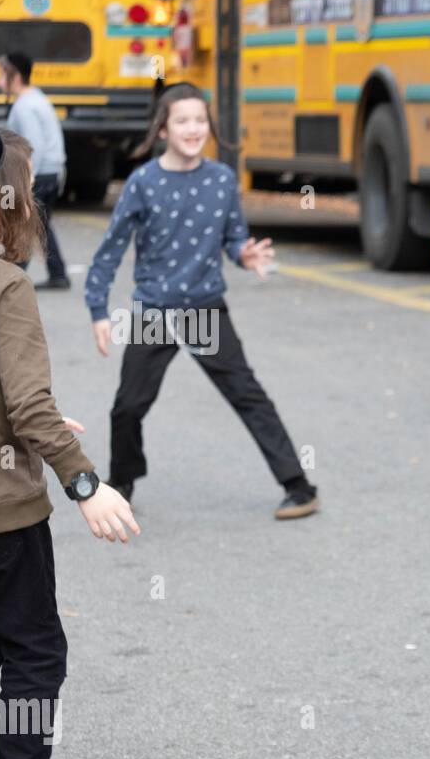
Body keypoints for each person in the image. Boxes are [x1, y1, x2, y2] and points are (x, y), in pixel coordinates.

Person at [0, 121, 139, 759]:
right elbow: (27, 406)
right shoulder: (3, 285)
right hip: (4, 514)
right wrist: (87, 483)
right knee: (35, 650)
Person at [84, 83, 319, 520]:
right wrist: (98, 309)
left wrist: (244, 254)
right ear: (163, 128)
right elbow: (110, 252)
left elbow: (233, 239)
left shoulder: (222, 179)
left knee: (248, 396)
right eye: (183, 120)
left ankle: (299, 486)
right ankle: (122, 484)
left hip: (205, 310)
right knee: (128, 406)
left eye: (200, 120)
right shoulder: (143, 182)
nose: (194, 129)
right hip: (155, 311)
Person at [0, 52, 69, 290]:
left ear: (14, 76)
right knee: (42, 222)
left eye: (1, 75)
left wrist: (24, 182)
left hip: (40, 174)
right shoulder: (37, 98)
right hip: (53, 172)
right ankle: (58, 274)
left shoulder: (24, 107)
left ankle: (11, 280)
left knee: (21, 224)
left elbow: (30, 147)